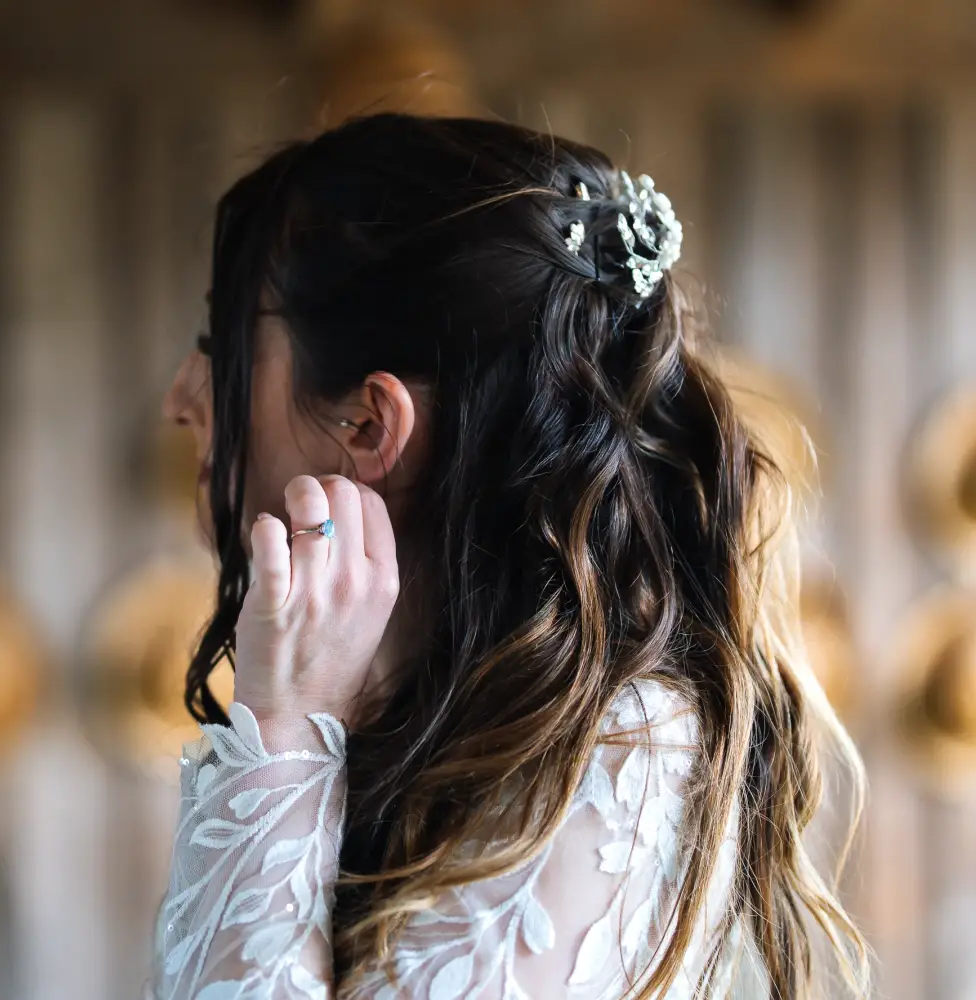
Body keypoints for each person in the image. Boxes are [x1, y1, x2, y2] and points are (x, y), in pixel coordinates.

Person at [154, 113, 868, 999]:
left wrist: (286, 731)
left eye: (223, 345)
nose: (183, 396)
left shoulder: (615, 753)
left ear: (371, 423)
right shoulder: (431, 704)